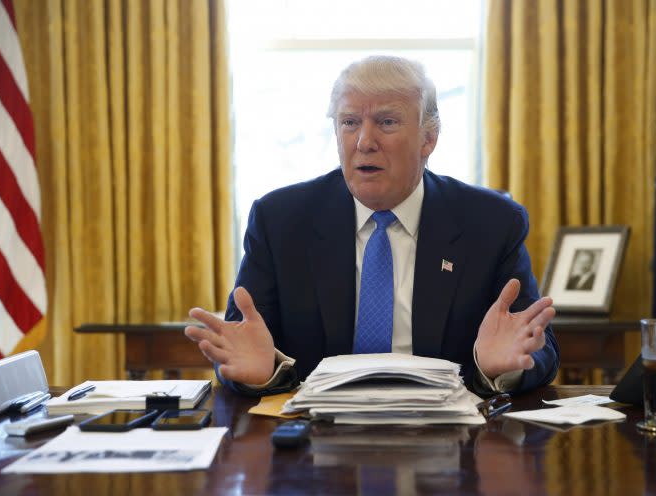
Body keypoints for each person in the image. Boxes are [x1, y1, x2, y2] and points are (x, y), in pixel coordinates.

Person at [185, 55, 559, 396]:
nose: (364, 142)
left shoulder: (491, 223)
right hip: (315, 443)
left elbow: (537, 349)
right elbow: (240, 345)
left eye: (386, 122)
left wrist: (497, 369)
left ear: (429, 138)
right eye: (349, 123)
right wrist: (262, 373)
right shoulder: (280, 220)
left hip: (448, 441)